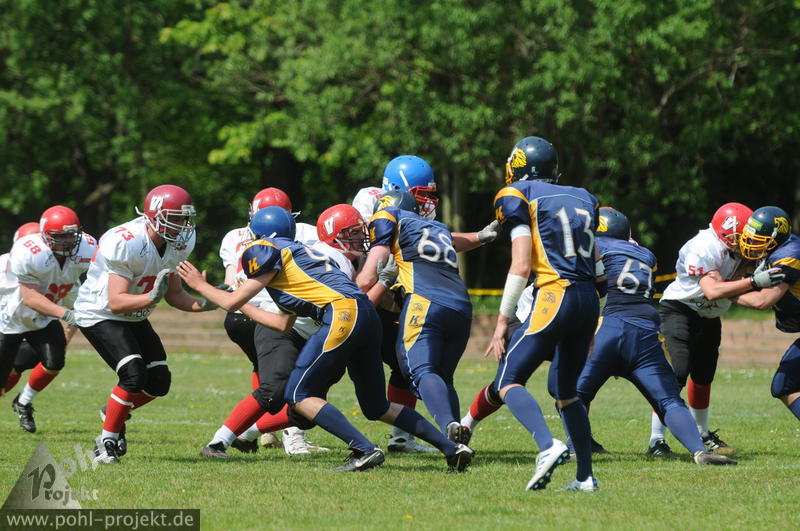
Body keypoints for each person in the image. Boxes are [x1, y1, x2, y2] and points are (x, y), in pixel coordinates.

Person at [178, 207, 475, 472]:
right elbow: (281, 323)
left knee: (298, 394)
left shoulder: (267, 249)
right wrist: (243, 303)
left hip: (343, 314)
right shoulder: (300, 258)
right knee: (376, 406)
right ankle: (452, 448)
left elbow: (230, 302)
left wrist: (199, 285)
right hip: (366, 315)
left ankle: (364, 450)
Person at [484, 136, 602, 492]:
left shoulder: (518, 194)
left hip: (555, 293)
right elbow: (599, 271)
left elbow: (521, 265)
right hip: (588, 300)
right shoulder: (584, 197)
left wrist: (502, 321)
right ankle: (585, 478)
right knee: (567, 393)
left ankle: (548, 445)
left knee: (508, 380)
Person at [575, 207, 736, 465]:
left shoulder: (593, 245)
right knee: (669, 399)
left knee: (574, 393)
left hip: (609, 327)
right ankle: (699, 450)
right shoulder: (645, 254)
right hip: (646, 331)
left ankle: (575, 447)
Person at [74, 184, 214, 464]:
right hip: (99, 313)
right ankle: (107, 443)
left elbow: (174, 294)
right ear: (154, 216)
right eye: (175, 218)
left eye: (184, 218)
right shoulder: (127, 241)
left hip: (136, 313)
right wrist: (151, 297)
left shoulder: (179, 242)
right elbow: (116, 301)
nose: (182, 225)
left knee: (159, 382)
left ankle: (113, 411)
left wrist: (206, 302)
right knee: (133, 375)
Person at [356, 190, 495, 443]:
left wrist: (348, 291)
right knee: (443, 377)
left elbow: (368, 276)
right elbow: (455, 242)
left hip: (425, 301)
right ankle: (456, 443)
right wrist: (480, 237)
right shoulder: (438, 227)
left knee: (421, 370)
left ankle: (449, 425)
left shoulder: (388, 216)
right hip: (461, 307)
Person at [655, 202, 783, 455]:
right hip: (680, 307)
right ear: (728, 233)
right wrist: (753, 282)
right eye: (744, 234)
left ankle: (702, 433)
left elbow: (728, 290)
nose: (749, 240)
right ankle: (656, 439)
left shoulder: (738, 250)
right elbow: (713, 291)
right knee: (677, 372)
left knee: (704, 376)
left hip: (710, 313)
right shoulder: (704, 246)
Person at [217, 186, 325, 455]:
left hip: (238, 316)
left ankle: (260, 431)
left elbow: (230, 282)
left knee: (266, 371)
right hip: (272, 313)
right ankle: (290, 435)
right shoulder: (306, 233)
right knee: (293, 379)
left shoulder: (235, 236)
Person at [0, 208, 96, 432]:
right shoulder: (17, 260)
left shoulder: (73, 260)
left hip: (41, 320)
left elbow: (75, 301)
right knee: (3, 379)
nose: (68, 241)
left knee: (55, 360)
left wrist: (68, 332)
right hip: (10, 322)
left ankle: (23, 402)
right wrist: (66, 315)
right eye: (61, 236)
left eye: (71, 235)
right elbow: (32, 298)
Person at [732, 207, 800, 422]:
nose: (751, 244)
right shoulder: (775, 250)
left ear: (776, 238)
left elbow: (763, 301)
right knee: (783, 386)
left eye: (758, 240)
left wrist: (725, 294)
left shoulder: (790, 255)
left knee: (784, 385)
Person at [0, 223, 45, 397]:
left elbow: (72, 300)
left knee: (31, 356)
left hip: (27, 331)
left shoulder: (53, 268)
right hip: (6, 327)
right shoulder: (3, 264)